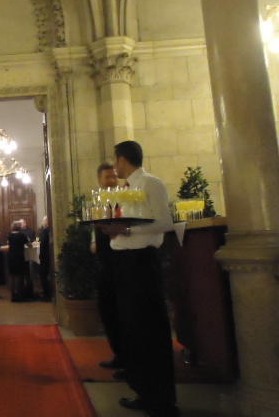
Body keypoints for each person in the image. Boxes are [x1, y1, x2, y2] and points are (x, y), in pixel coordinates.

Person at [101, 141, 177, 417]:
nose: (115, 165)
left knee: (150, 330)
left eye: (116, 160)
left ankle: (161, 401)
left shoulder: (151, 184)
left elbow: (165, 223)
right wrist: (114, 229)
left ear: (123, 160)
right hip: (124, 263)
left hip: (141, 263)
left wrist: (127, 230)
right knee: (133, 330)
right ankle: (144, 391)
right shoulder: (127, 189)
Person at [94, 162, 124, 376]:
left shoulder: (125, 198)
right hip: (104, 259)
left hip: (121, 258)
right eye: (108, 177)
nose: (112, 180)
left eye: (114, 176)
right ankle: (119, 354)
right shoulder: (98, 200)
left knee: (121, 310)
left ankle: (127, 358)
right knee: (108, 310)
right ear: (100, 180)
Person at [7, 221, 30, 302]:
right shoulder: (22, 235)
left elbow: (9, 244)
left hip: (11, 257)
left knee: (12, 276)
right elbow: (28, 243)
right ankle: (19, 295)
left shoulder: (9, 235)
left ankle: (13, 295)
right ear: (19, 227)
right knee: (19, 276)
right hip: (19, 257)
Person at [38, 216, 53, 301]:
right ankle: (46, 293)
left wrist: (38, 242)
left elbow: (42, 241)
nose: (42, 222)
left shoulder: (46, 230)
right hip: (45, 255)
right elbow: (39, 239)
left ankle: (47, 295)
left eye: (44, 221)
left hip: (45, 255)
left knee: (43, 275)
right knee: (43, 275)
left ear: (47, 222)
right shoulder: (43, 230)